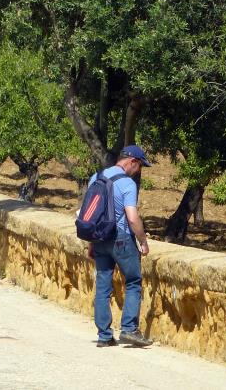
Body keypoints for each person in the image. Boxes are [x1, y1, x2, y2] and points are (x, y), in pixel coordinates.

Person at [87, 144, 153, 348]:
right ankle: (129, 330)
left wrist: (91, 243)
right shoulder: (127, 183)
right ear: (132, 161)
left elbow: (90, 214)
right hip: (121, 239)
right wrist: (142, 240)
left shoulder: (96, 177)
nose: (139, 171)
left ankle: (104, 335)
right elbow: (132, 218)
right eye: (140, 166)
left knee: (103, 285)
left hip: (99, 239)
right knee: (133, 281)